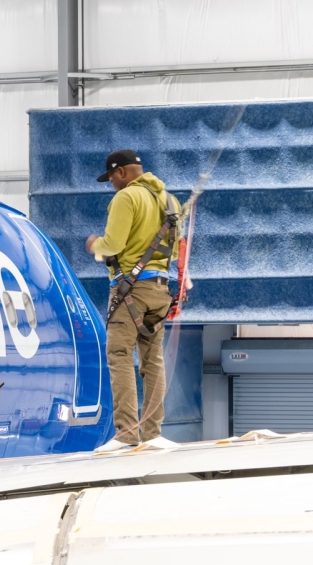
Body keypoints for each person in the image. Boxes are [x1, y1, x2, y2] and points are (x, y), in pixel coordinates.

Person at [86, 149, 181, 450]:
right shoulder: (170, 201)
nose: (112, 183)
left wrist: (93, 246)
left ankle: (127, 434)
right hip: (160, 290)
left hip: (131, 292)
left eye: (112, 177)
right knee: (152, 360)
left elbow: (112, 245)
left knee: (119, 356)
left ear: (123, 172)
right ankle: (153, 435)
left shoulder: (126, 198)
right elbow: (175, 253)